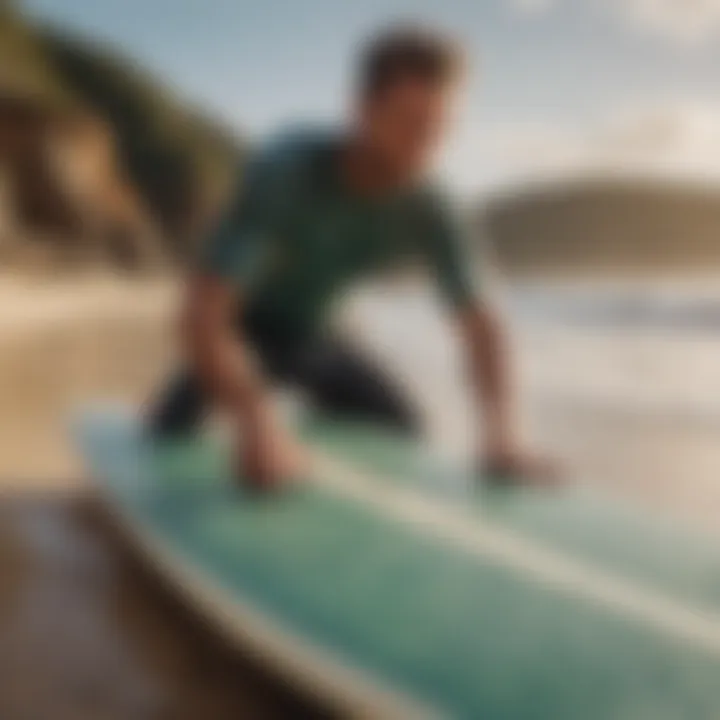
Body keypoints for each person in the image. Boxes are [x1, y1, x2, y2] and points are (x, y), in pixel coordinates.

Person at [148, 25, 559, 491]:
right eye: (411, 123)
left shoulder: (430, 202)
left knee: (403, 432)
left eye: (440, 127)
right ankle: (226, 412)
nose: (426, 145)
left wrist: (501, 436)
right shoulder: (287, 170)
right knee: (170, 437)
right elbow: (200, 316)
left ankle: (298, 432)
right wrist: (253, 421)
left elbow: (481, 323)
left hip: (317, 334)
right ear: (362, 110)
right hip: (243, 330)